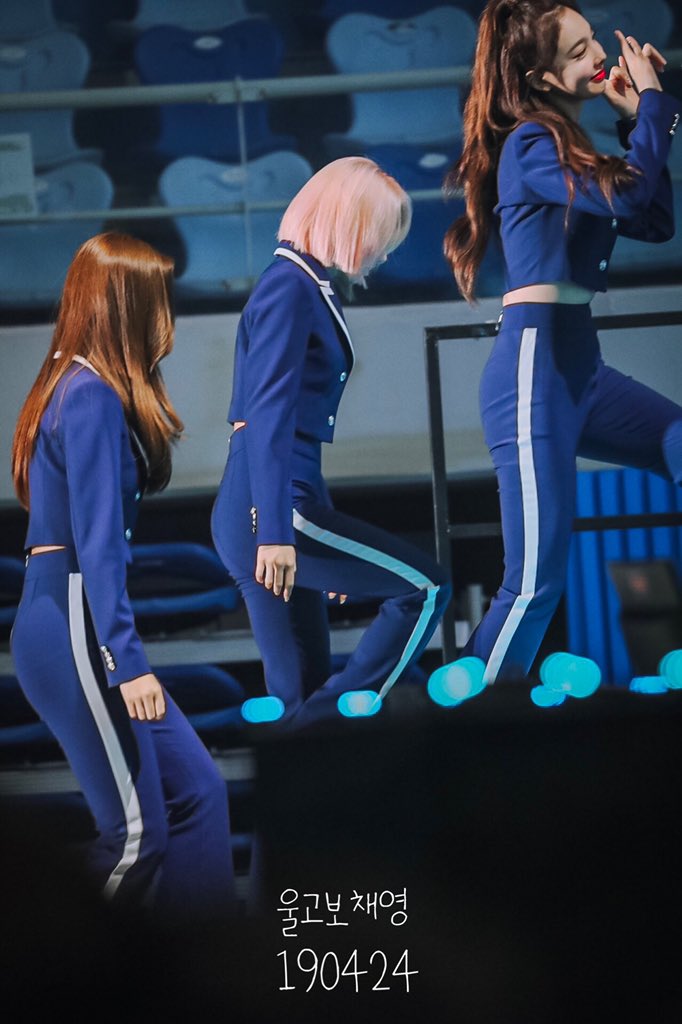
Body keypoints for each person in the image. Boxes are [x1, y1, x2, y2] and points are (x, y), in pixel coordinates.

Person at [442, 0, 681, 684]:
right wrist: (654, 106)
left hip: (581, 367)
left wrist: (635, 121)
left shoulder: (569, 146)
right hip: (534, 369)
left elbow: (653, 220)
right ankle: (471, 717)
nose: (599, 56)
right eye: (577, 52)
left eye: (592, 41)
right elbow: (630, 199)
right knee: (535, 581)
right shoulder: (530, 144)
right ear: (542, 78)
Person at [11, 233, 235, 915]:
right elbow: (99, 546)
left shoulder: (73, 385)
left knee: (198, 792)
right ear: (126, 305)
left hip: (71, 616)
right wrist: (127, 662)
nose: (167, 312)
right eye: (158, 296)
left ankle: (201, 964)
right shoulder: (90, 394)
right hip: (73, 619)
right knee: (136, 838)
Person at [211, 157, 451, 728]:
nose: (384, 253)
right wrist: (276, 532)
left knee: (296, 692)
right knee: (425, 589)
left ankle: (310, 737)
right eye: (380, 235)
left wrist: (317, 541)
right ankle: (331, 726)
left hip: (268, 500)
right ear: (348, 220)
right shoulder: (291, 287)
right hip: (270, 506)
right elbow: (267, 417)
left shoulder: (303, 284)